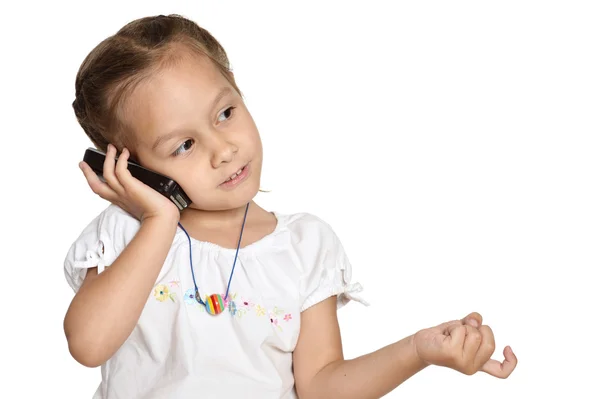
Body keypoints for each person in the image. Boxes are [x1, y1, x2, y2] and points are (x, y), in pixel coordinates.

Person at [63, 13, 517, 399]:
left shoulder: (303, 246)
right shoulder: (126, 233)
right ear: (126, 166)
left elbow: (320, 385)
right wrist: (160, 219)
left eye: (225, 113)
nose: (223, 150)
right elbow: (88, 344)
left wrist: (418, 350)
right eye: (184, 145)